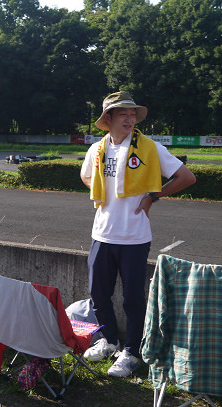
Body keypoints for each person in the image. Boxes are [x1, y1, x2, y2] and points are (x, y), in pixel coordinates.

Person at [80, 91, 196, 378]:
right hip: (102, 234)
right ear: (108, 119)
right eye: (123, 114)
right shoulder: (97, 149)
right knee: (98, 295)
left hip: (134, 237)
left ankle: (131, 352)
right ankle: (109, 341)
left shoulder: (150, 148)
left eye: (133, 114)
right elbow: (86, 175)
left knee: (132, 299)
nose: (130, 119)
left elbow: (186, 177)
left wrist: (152, 197)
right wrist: (100, 188)